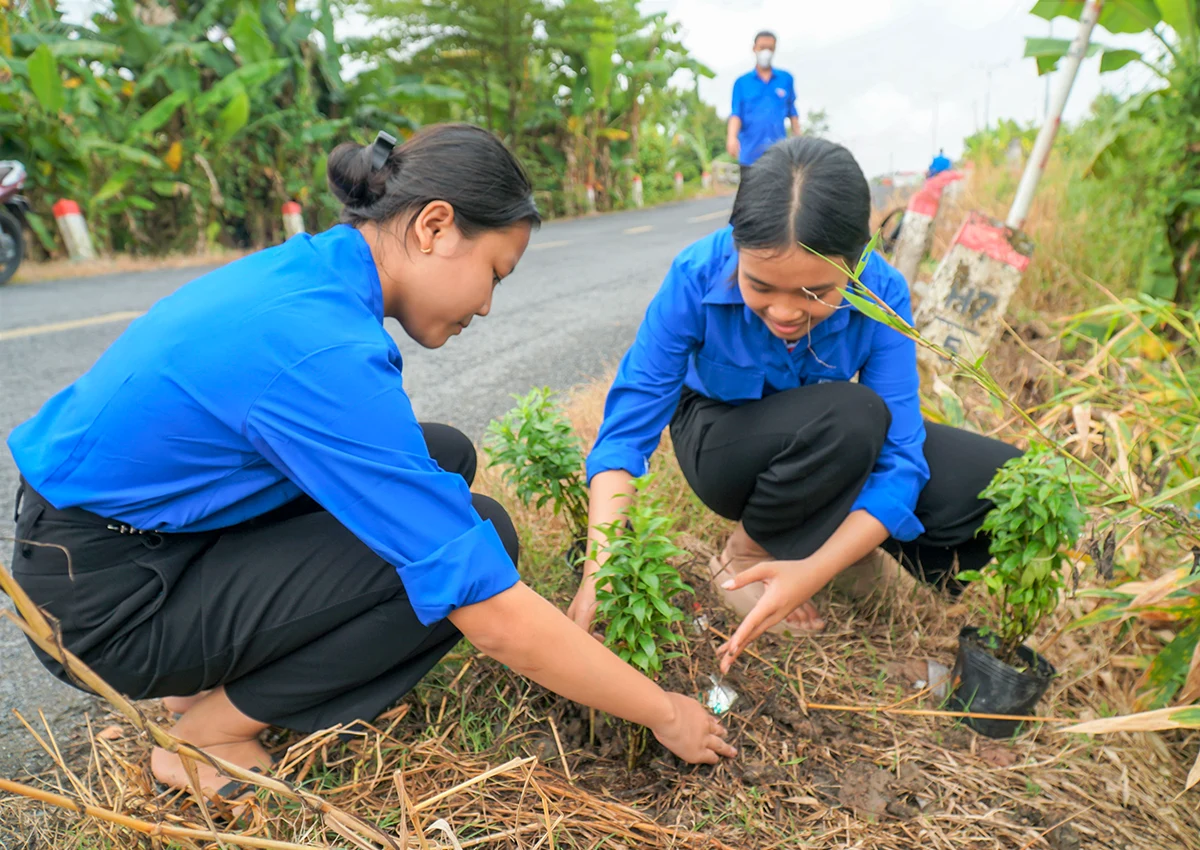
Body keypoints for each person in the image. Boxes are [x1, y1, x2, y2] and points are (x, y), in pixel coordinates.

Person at [8, 124, 735, 803]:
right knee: (477, 540)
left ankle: (195, 685)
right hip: (104, 606)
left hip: (108, 542)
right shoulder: (321, 349)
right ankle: (206, 735)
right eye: (495, 274)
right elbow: (492, 615)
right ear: (435, 226)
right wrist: (662, 710)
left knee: (441, 454)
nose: (485, 307)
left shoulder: (315, 272)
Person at [567, 136, 1021, 673]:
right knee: (854, 415)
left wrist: (816, 571)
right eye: (759, 285)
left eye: (814, 293)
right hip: (722, 436)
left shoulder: (883, 294)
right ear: (737, 248)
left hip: (829, 432)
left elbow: (902, 457)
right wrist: (603, 568)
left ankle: (826, 548)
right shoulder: (695, 274)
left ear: (857, 265)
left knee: (1003, 479)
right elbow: (624, 435)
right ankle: (747, 554)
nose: (784, 312)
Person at [726, 30, 800, 170]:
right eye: (762, 48)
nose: (766, 52)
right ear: (754, 48)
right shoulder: (741, 83)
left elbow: (792, 112)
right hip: (750, 154)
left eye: (770, 48)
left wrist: (799, 140)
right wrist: (731, 137)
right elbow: (736, 114)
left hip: (779, 153)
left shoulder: (786, 79)